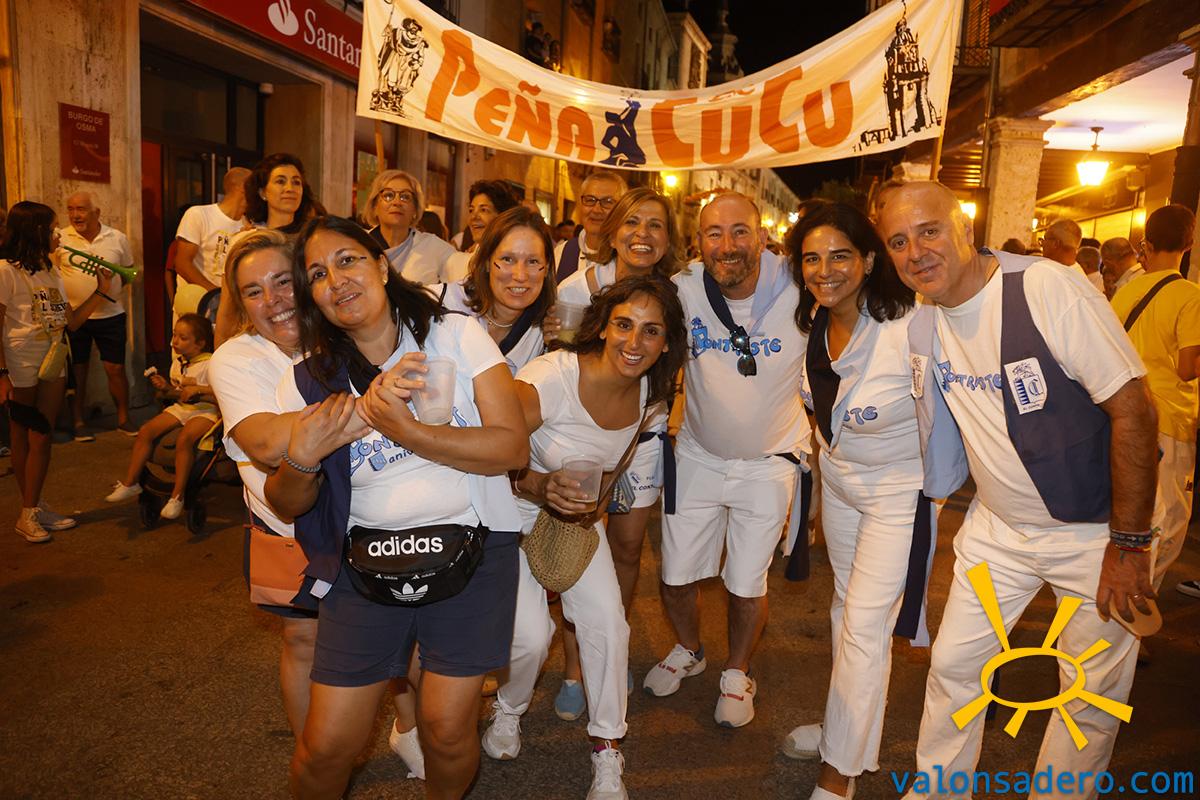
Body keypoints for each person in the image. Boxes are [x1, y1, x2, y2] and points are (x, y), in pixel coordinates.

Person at [877, 182, 1157, 799]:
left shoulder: (1044, 288)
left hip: (1094, 533)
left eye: (929, 231)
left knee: (1086, 693)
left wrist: (1130, 544)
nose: (916, 252)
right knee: (954, 668)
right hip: (998, 528)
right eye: (898, 242)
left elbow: (1135, 409)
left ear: (965, 229)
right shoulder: (925, 321)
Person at [265, 216, 526, 799]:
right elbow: (286, 502)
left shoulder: (455, 335)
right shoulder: (306, 382)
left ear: (381, 266)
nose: (336, 280)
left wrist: (405, 430)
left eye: (348, 260)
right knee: (325, 747)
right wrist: (303, 459)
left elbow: (511, 447)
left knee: (447, 731)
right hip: (362, 566)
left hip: (474, 553)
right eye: (318, 274)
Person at [209, 230, 429, 778]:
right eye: (253, 291)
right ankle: (317, 758)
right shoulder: (235, 358)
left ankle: (408, 729)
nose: (273, 300)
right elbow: (264, 442)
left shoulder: (342, 329)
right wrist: (375, 407)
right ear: (241, 304)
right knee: (304, 638)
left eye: (283, 281)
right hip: (284, 525)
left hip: (366, 520)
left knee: (397, 633)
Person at [483, 276, 685, 800]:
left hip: (572, 521)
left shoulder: (651, 393)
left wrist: (596, 501)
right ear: (602, 326)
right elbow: (493, 446)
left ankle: (608, 746)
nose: (634, 342)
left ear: (667, 343)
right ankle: (509, 708)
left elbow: (618, 460)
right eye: (624, 325)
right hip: (512, 508)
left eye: (651, 331)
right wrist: (539, 486)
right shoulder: (553, 377)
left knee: (609, 624)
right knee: (531, 636)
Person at [776, 203, 926, 800]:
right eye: (812, 258)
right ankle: (848, 731)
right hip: (840, 486)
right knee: (845, 612)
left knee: (865, 624)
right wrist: (814, 494)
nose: (825, 270)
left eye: (840, 256)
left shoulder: (911, 325)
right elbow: (823, 416)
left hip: (898, 493)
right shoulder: (814, 320)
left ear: (868, 259)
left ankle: (838, 775)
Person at [644, 192, 811, 728]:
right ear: (698, 241)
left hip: (769, 462)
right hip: (698, 454)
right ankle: (689, 649)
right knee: (675, 575)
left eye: (740, 231)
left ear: (761, 236)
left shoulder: (799, 285)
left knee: (746, 583)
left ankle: (738, 671)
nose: (728, 245)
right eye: (713, 233)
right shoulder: (684, 289)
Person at [0, 201, 116, 542]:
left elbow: (72, 322)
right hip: (19, 359)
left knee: (42, 434)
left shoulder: (51, 271)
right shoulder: (5, 271)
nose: (58, 236)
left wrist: (101, 291)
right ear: (35, 231)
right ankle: (28, 511)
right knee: (21, 433)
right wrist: (1, 373)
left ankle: (33, 507)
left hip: (53, 357)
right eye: (52, 229)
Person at [1109, 204, 1199, 594]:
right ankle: (1136, 601)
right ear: (1189, 243)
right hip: (1170, 418)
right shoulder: (1189, 295)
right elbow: (1187, 367)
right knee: (1169, 519)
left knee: (1128, 511)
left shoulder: (1126, 292)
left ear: (1147, 243)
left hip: (1124, 415)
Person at [104, 313, 218, 520]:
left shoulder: (211, 365)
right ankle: (131, 483)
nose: (175, 342)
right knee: (146, 431)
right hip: (183, 408)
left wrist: (199, 390)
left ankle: (177, 496)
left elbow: (220, 395)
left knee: (185, 439)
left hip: (206, 410)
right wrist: (166, 388)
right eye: (174, 335)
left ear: (200, 343)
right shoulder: (177, 364)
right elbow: (177, 394)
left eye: (183, 338)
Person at [437, 205, 555, 374]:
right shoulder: (442, 306)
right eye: (507, 259)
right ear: (486, 262)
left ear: (547, 268)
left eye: (533, 261)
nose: (520, 275)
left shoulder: (544, 331)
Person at [57, 191, 136, 438]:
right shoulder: (60, 238)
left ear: (96, 212)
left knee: (116, 369)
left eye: (81, 209)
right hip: (74, 316)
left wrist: (112, 286)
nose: (75, 215)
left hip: (111, 314)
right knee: (77, 371)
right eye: (70, 209)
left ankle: (124, 418)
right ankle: (78, 422)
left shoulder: (117, 238)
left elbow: (128, 271)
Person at [555, 187, 682, 308]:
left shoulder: (680, 296)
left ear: (668, 242)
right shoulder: (572, 294)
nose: (643, 233)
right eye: (631, 222)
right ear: (612, 237)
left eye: (655, 225)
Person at [362, 169, 459, 284]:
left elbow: (465, 272)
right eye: (388, 195)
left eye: (405, 197)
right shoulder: (358, 244)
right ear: (374, 207)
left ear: (415, 210)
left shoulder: (433, 246)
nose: (397, 202)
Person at [173, 167, 251, 293]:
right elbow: (182, 264)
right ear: (242, 187)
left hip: (227, 301)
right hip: (197, 301)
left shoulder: (249, 225)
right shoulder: (198, 214)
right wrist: (214, 294)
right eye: (255, 186)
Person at [555, 171, 627, 282]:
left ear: (622, 208)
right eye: (590, 200)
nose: (596, 210)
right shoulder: (561, 253)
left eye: (607, 202)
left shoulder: (629, 258)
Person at [444, 180, 519, 284]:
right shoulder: (457, 264)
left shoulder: (518, 263)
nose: (473, 217)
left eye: (483, 210)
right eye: (471, 210)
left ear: (503, 216)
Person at [243, 153, 323, 237]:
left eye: (296, 182)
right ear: (262, 192)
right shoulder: (250, 238)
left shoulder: (312, 239)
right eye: (280, 181)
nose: (290, 189)